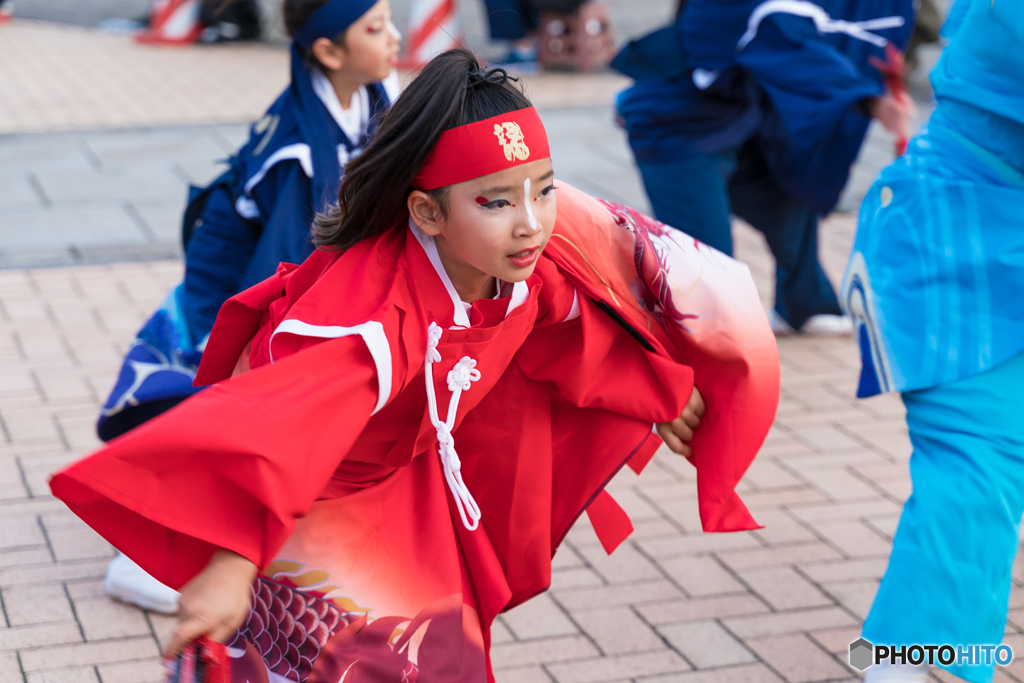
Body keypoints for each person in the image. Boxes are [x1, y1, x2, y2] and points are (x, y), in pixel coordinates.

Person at [51, 49, 780, 682]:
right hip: (314, 503)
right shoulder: (372, 320)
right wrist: (231, 564)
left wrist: (660, 389)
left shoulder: (521, 252)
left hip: (414, 488)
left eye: (545, 188)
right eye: (497, 200)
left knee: (447, 657)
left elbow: (577, 321)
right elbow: (285, 426)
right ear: (427, 214)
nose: (531, 219)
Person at [97, 0, 402, 615]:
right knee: (232, 425)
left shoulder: (366, 98)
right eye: (376, 28)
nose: (394, 38)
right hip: (230, 302)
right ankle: (141, 562)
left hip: (262, 290)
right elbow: (280, 267)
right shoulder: (297, 148)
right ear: (328, 52)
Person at [842, 1, 1024, 681]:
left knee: (985, 462)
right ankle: (900, 658)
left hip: (986, 223)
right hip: (957, 237)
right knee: (975, 459)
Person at [612, 0, 916, 336]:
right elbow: (782, 40)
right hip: (675, 130)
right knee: (707, 272)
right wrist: (868, 98)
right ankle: (660, 340)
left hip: (743, 121)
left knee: (793, 195)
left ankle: (803, 305)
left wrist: (876, 75)